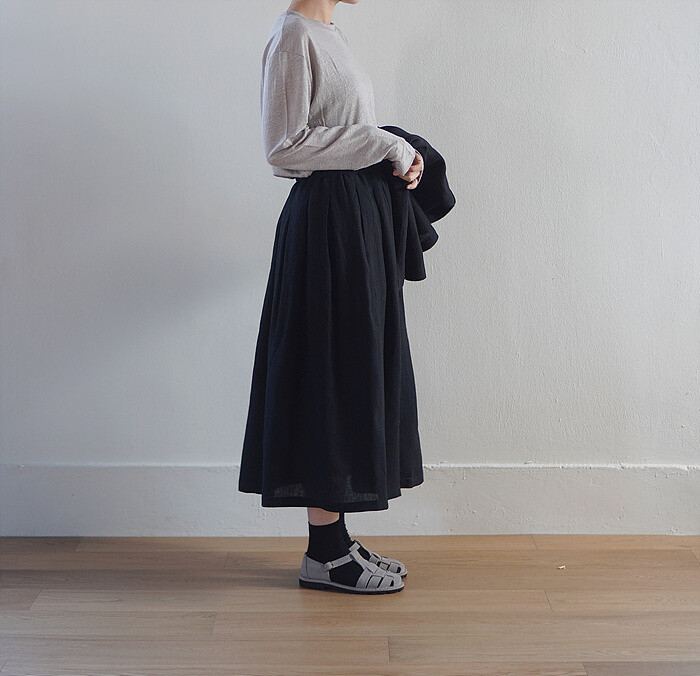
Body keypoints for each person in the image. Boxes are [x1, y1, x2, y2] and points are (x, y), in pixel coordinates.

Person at [238, 0, 425, 594]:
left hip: (352, 219)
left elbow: (341, 135)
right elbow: (283, 147)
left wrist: (396, 152)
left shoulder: (327, 33)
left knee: (350, 371)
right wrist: (380, 143)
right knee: (330, 373)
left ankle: (336, 540)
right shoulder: (293, 35)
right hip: (326, 227)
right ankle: (324, 553)